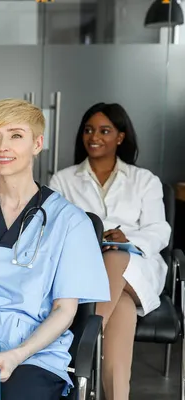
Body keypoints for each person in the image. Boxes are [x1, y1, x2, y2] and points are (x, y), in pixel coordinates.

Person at [0, 99, 110, 400]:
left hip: (34, 352)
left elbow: (65, 310)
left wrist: (17, 354)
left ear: (37, 144)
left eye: (16, 135)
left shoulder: (70, 221)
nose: (3, 146)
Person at [49, 102, 171, 400]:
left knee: (114, 256)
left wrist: (128, 237)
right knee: (123, 311)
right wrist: (90, 238)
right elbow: (54, 231)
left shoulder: (144, 180)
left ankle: (79, 343)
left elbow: (160, 230)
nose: (95, 136)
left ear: (120, 137)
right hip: (88, 270)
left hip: (137, 267)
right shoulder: (62, 180)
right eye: (89, 130)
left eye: (105, 130)